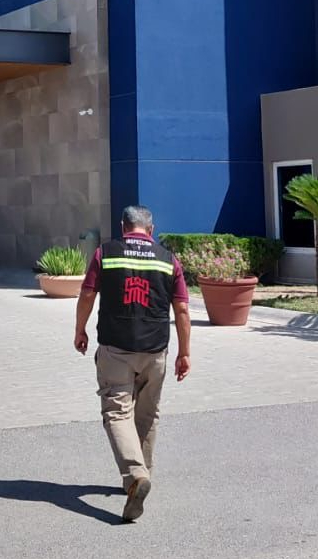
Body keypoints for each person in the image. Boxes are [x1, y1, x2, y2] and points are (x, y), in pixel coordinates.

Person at [74, 205, 191, 522]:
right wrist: (184, 353)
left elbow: (87, 295)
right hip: (155, 351)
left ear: (123, 226)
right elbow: (182, 309)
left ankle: (136, 476)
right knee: (147, 415)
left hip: (116, 349)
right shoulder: (169, 260)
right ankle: (141, 476)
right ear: (151, 230)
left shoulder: (105, 253)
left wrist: (80, 329)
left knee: (116, 412)